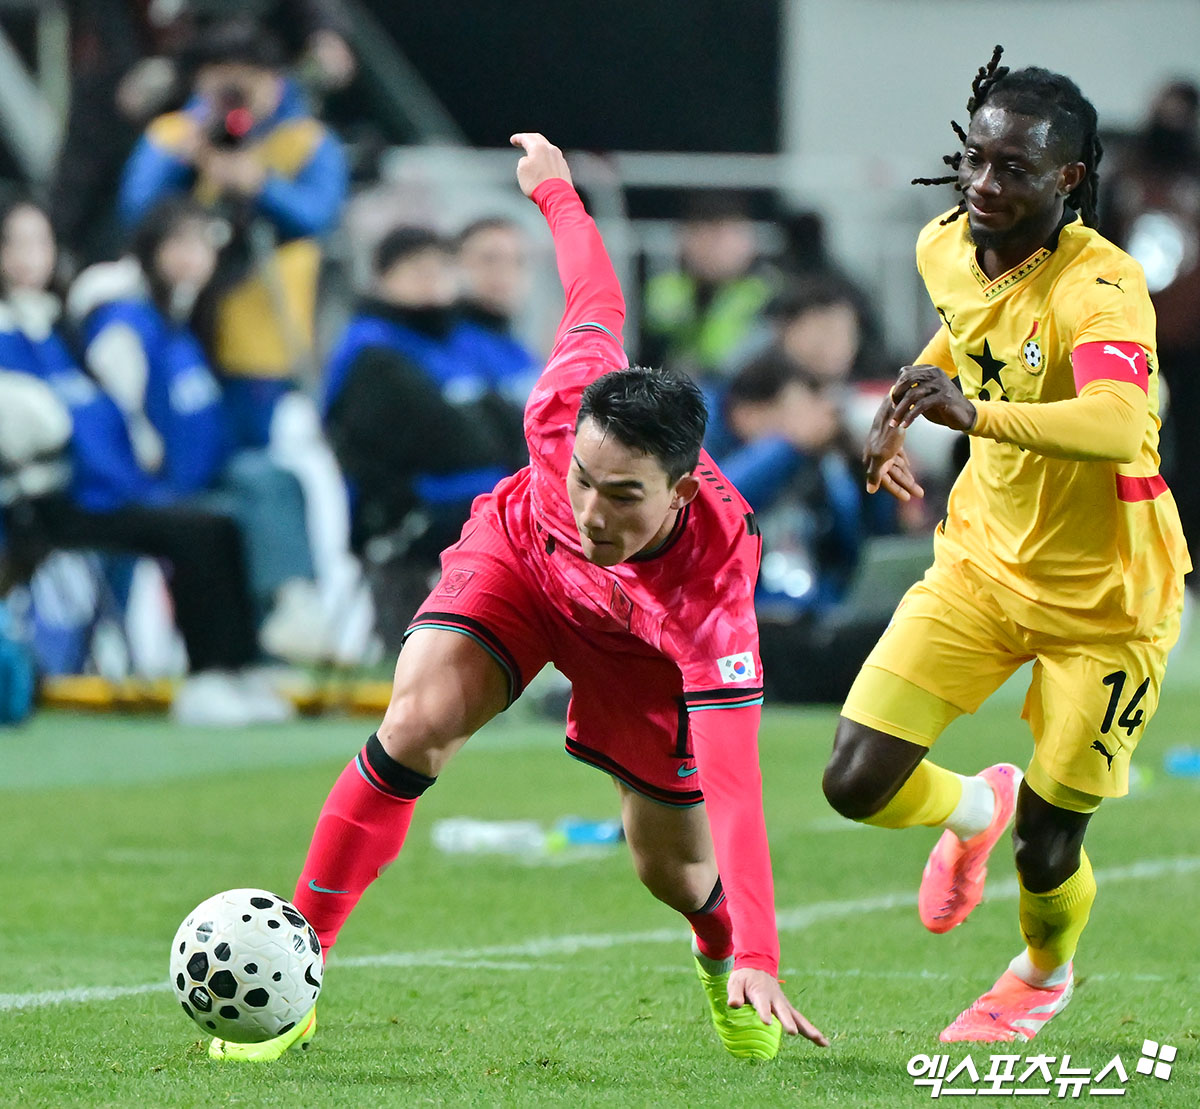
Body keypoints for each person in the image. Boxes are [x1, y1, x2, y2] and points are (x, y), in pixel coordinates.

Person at [208, 133, 829, 1063]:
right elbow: (595, 294)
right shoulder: (564, 402)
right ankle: (294, 974)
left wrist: (760, 950)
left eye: (623, 496)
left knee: (669, 866)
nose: (592, 508)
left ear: (683, 493)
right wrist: (559, 197)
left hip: (639, 651)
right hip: (521, 566)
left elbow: (738, 780)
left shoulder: (713, 588)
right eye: (583, 476)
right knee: (416, 718)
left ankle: (716, 956)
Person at [821, 48, 1190, 1043]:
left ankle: (1041, 970)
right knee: (854, 780)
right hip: (982, 563)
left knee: (1049, 848)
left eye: (1014, 168)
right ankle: (973, 809)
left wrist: (972, 413)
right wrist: (910, 394)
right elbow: (967, 327)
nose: (985, 184)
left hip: (1107, 599)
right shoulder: (944, 244)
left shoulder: (1102, 285)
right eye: (976, 159)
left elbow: (1118, 423)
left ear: (1068, 178)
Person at [0, 198, 292, 726]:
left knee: (219, 524)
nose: (28, 258)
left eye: (39, 243)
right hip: (45, 499)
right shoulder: (30, 331)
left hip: (109, 489)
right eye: (13, 244)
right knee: (197, 532)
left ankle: (238, 669)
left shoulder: (53, 328)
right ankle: (204, 678)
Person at [117, 17, 348, 450]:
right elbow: (136, 214)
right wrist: (187, 155)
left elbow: (319, 216)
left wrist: (261, 185)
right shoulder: (177, 134)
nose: (234, 104)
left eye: (246, 87)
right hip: (180, 338)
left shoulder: (306, 141)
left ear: (275, 80)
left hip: (264, 345)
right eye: (220, 89)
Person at [321, 226, 528, 647]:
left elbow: (506, 427)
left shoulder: (452, 342)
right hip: (407, 507)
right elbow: (444, 439)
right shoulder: (372, 349)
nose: (431, 281)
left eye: (439, 269)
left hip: (477, 492)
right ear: (383, 278)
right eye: (416, 270)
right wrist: (482, 430)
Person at [1100, 80, 1200, 577]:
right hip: (1134, 339)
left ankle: (1188, 553)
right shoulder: (1126, 179)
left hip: (1192, 345)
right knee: (1134, 448)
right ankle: (1136, 552)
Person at [639, 192, 773, 383]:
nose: (714, 249)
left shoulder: (770, 292)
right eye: (702, 235)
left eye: (724, 236)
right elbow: (655, 353)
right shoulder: (664, 288)